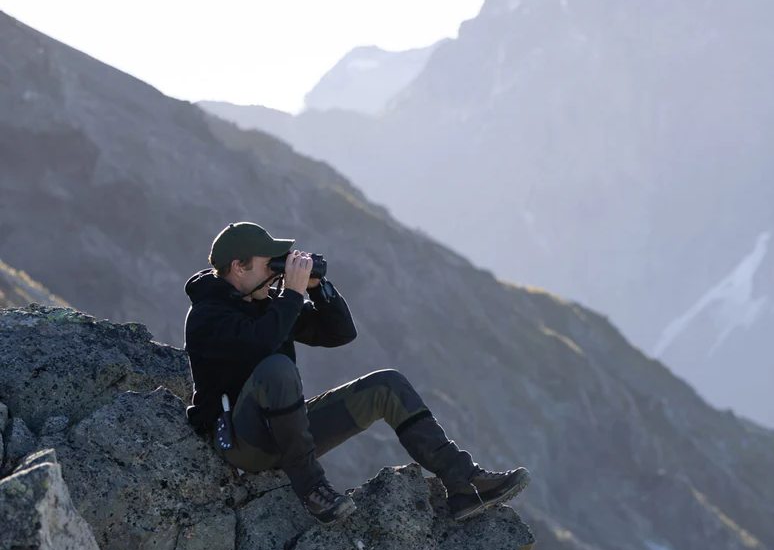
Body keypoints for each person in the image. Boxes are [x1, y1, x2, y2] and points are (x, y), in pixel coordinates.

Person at [183, 221, 530, 524]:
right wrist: (291, 293)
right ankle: (313, 490)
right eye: (268, 263)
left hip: (286, 435)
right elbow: (260, 345)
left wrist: (318, 290)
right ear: (238, 267)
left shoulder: (269, 303)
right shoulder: (207, 315)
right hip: (243, 444)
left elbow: (340, 334)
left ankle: (464, 484)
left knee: (387, 385)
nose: (277, 270)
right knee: (277, 367)